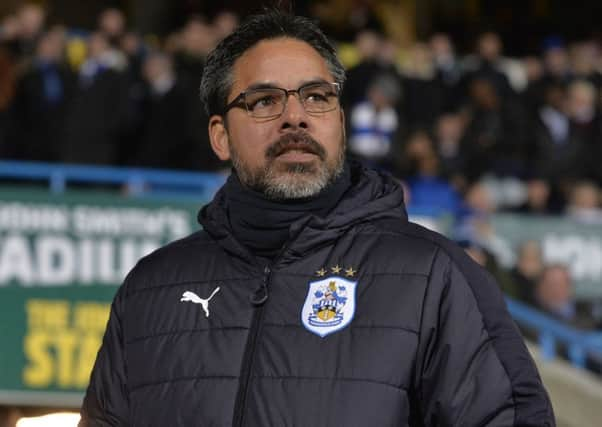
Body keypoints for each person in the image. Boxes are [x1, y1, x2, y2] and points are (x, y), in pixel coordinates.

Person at [80, 10, 555, 426]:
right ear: (220, 136)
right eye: (264, 101)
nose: (295, 117)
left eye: (316, 97)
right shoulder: (151, 288)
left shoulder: (435, 277)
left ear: (341, 125)